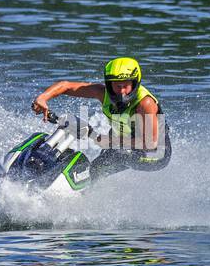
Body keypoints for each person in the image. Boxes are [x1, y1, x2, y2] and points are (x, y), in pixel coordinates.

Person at [30, 56, 171, 179]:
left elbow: (150, 143)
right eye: (116, 85)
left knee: (108, 161)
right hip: (125, 139)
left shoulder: (145, 103)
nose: (121, 91)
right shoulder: (102, 93)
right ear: (109, 84)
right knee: (99, 164)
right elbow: (66, 86)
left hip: (155, 153)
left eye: (126, 86)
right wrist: (43, 97)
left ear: (135, 83)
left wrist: (109, 141)